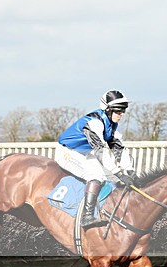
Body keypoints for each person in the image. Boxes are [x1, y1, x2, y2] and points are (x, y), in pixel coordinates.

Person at [56, 90, 136, 229]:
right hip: (67, 152)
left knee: (112, 177)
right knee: (96, 176)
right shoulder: (94, 123)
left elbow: (118, 149)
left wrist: (129, 171)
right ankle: (86, 216)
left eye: (123, 111)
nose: (121, 114)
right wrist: (120, 173)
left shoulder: (112, 125)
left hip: (85, 153)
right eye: (118, 111)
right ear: (107, 109)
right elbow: (101, 151)